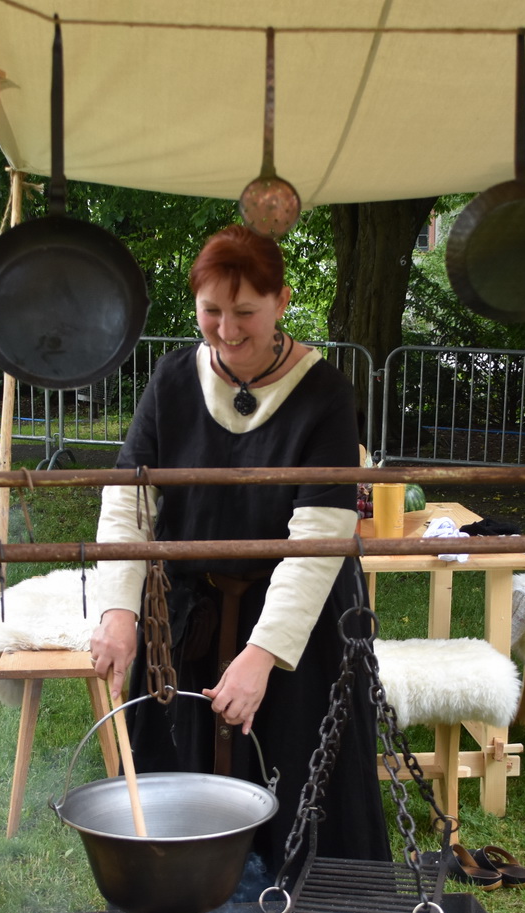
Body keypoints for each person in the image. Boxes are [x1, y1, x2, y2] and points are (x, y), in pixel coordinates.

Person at [89, 225, 389, 868]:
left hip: (296, 631)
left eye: (245, 311)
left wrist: (262, 655)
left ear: (280, 301)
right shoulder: (172, 381)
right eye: (211, 311)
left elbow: (318, 537)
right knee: (183, 790)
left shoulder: (325, 393)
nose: (227, 329)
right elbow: (127, 501)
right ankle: (187, 910)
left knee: (302, 786)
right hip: (190, 624)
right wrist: (119, 609)